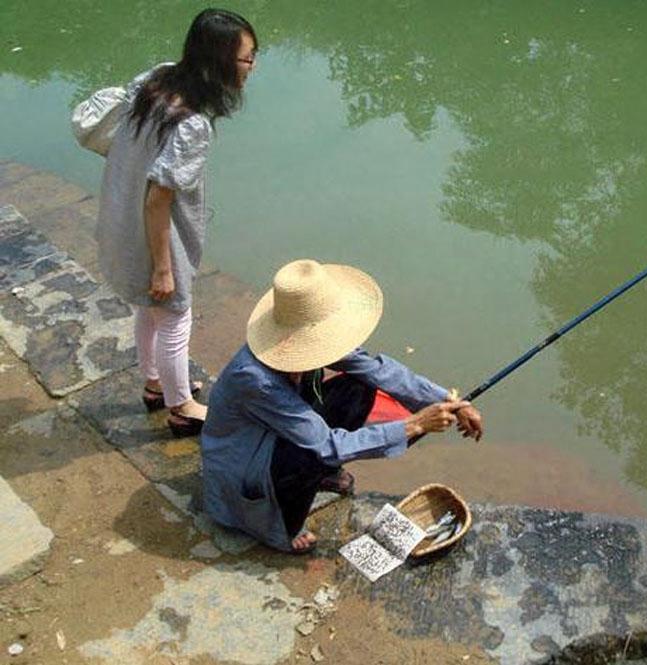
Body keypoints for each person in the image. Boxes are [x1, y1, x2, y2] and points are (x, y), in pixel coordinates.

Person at [201, 259, 484, 553]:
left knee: (359, 387)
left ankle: (320, 474)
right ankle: (281, 527)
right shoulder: (255, 378)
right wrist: (414, 425)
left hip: (282, 431)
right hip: (246, 464)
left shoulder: (311, 344)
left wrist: (451, 403)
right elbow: (326, 444)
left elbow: (376, 370)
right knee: (310, 454)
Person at [95, 9, 258, 437]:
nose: (251, 68)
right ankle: (182, 407)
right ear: (221, 60)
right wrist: (164, 266)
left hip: (121, 217)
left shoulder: (158, 78)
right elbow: (159, 199)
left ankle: (155, 384)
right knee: (173, 314)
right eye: (247, 59)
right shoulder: (193, 125)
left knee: (148, 309)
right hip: (153, 231)